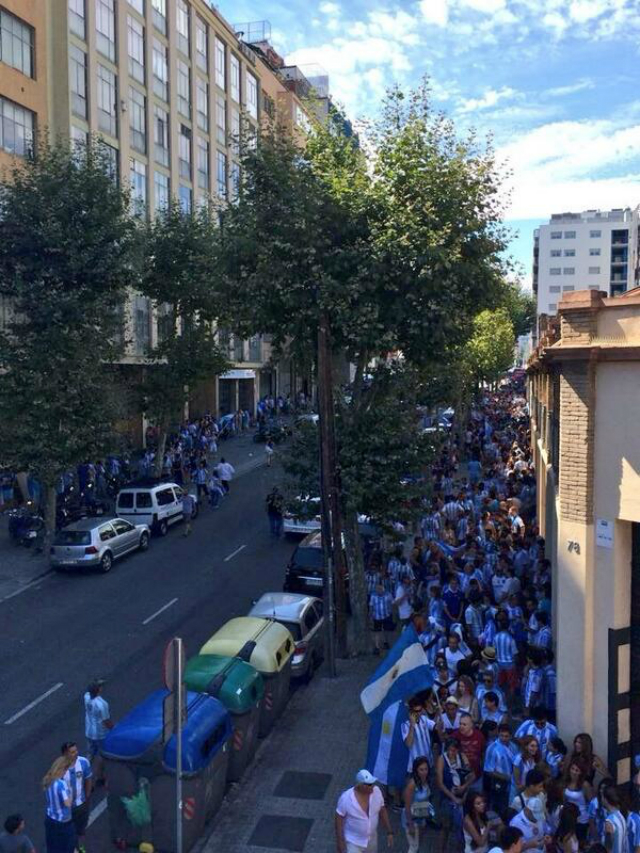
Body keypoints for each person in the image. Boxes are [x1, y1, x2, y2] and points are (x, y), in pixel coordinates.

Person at [335, 769, 394, 853]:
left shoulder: (377, 792)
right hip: (353, 841)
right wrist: (340, 841)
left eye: (373, 783)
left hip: (371, 839)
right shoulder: (346, 798)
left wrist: (389, 831)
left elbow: (382, 811)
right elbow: (339, 819)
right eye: (369, 784)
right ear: (360, 785)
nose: (372, 786)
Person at [436, 737, 475, 849]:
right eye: (450, 750)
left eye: (454, 750)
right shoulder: (442, 759)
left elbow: (472, 776)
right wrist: (453, 798)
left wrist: (463, 787)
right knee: (446, 827)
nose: (451, 752)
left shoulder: (462, 757)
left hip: (462, 795)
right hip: (447, 796)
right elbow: (440, 783)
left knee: (462, 827)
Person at [61, 742, 92, 853]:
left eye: (76, 750)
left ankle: (80, 847)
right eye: (72, 752)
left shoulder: (83, 762)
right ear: (65, 754)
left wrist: (87, 796)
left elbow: (88, 779)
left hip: (81, 804)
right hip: (67, 807)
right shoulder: (59, 768)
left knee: (81, 830)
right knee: (67, 831)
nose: (76, 753)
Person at [403, 756, 438, 853]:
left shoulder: (427, 780)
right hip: (412, 817)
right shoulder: (412, 784)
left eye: (426, 769)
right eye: (421, 769)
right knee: (413, 847)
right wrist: (410, 825)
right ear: (416, 770)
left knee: (418, 843)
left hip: (422, 815)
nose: (424, 772)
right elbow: (407, 805)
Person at [42, 755, 76, 853]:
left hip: (50, 818)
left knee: (52, 845)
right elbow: (68, 803)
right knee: (67, 846)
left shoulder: (48, 780)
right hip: (63, 822)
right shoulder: (62, 784)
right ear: (63, 769)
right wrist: (70, 791)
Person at [83, 679, 113, 783]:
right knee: (101, 755)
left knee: (90, 753)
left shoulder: (86, 697)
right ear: (99, 690)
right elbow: (106, 721)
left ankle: (83, 774)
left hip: (89, 731)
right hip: (100, 734)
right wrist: (113, 729)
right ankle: (98, 777)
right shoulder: (102, 704)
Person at [562, 760, 593, 845]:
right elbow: (564, 800)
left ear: (581, 773)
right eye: (572, 769)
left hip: (582, 819)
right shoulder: (566, 782)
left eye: (577, 770)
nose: (574, 772)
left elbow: (591, 804)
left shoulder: (585, 785)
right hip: (569, 818)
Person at [402, 696, 436, 770]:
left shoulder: (424, 719)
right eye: (416, 711)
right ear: (411, 712)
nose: (418, 713)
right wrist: (412, 725)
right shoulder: (405, 724)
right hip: (414, 765)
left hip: (428, 762)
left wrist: (439, 714)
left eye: (420, 710)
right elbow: (408, 744)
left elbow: (435, 727)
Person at [369, 584, 395, 656]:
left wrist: (391, 612)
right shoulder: (373, 596)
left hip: (386, 615)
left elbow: (392, 603)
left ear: (383, 589)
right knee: (377, 631)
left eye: (381, 589)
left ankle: (386, 642)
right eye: (378, 589)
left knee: (386, 630)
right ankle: (377, 647)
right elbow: (371, 606)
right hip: (376, 616)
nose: (379, 590)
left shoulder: (388, 595)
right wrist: (370, 615)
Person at [601, 786, 628, 853]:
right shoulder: (621, 816)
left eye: (602, 797)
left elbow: (608, 847)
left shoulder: (609, 821)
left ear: (605, 799)